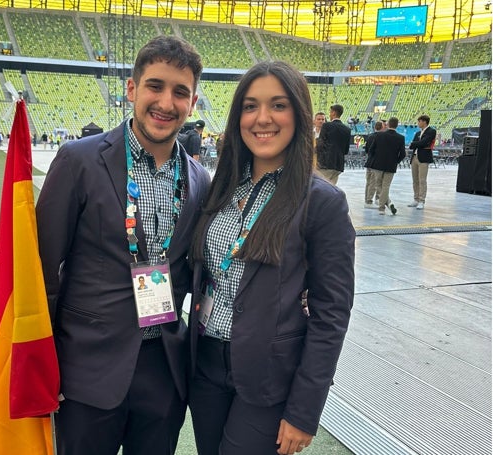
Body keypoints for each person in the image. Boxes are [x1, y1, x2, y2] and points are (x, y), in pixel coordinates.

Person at [36, 36, 210, 455]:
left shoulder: (200, 180)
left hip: (163, 369)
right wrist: (44, 364)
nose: (166, 102)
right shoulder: (78, 160)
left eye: (180, 92)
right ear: (132, 90)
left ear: (193, 101)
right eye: (155, 86)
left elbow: (191, 272)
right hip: (87, 367)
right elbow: (42, 268)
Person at [188, 61, 354, 455]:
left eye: (277, 105)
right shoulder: (221, 188)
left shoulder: (322, 202)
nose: (262, 119)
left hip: (268, 376)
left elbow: (332, 314)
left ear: (298, 114)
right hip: (207, 364)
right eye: (250, 106)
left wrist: (304, 409)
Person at [369, 117, 406, 215]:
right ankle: (384, 206)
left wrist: (375, 159)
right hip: (391, 166)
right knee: (386, 186)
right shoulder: (400, 138)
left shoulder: (379, 135)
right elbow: (403, 154)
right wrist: (395, 161)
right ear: (397, 125)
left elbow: (371, 150)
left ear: (388, 124)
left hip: (378, 165)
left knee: (378, 185)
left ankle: (385, 205)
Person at [315, 104, 351, 185]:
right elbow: (346, 150)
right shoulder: (347, 129)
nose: (330, 114)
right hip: (338, 165)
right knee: (331, 188)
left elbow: (321, 144)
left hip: (325, 163)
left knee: (322, 188)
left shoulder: (327, 126)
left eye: (330, 112)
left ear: (334, 113)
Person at [408, 114, 436, 210]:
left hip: (423, 158)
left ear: (424, 121)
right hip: (415, 157)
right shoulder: (417, 133)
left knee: (422, 180)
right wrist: (417, 144)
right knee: (415, 180)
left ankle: (421, 200)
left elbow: (424, 142)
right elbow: (413, 145)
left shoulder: (431, 131)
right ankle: (416, 199)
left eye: (419, 121)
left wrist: (416, 144)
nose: (418, 123)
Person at [363, 120, 384, 208]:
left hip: (369, 161)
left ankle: (367, 199)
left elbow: (367, 150)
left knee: (368, 182)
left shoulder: (370, 136)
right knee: (373, 182)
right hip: (376, 163)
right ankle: (369, 201)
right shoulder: (380, 137)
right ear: (382, 127)